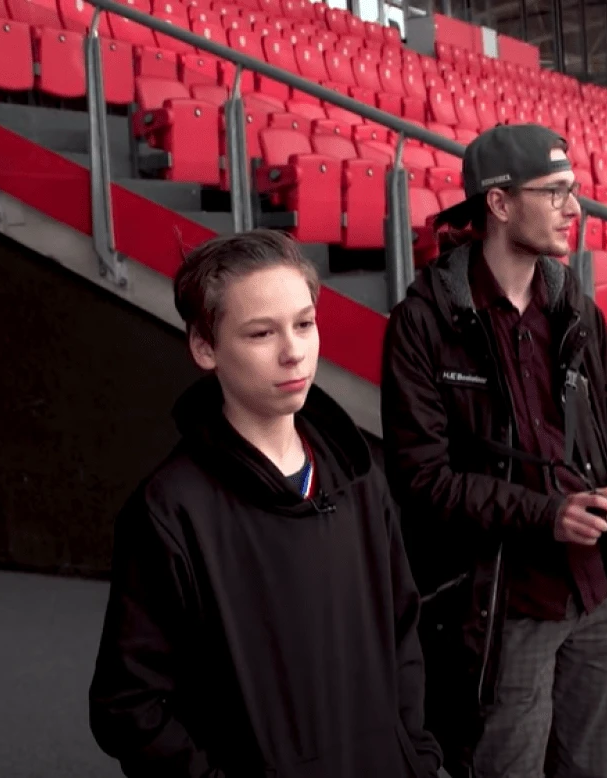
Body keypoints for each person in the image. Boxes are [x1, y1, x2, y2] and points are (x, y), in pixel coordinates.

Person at [379, 124, 607, 778]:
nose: (573, 209)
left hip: (599, 593)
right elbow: (420, 479)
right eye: (554, 193)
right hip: (506, 605)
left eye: (573, 192)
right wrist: (543, 515)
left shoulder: (573, 301)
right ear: (497, 203)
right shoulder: (424, 321)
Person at [88, 229, 443, 778]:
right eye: (261, 333)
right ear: (206, 348)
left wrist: (414, 757)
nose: (293, 351)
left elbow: (403, 636)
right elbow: (128, 706)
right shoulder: (169, 510)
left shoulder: (359, 478)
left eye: (304, 324)